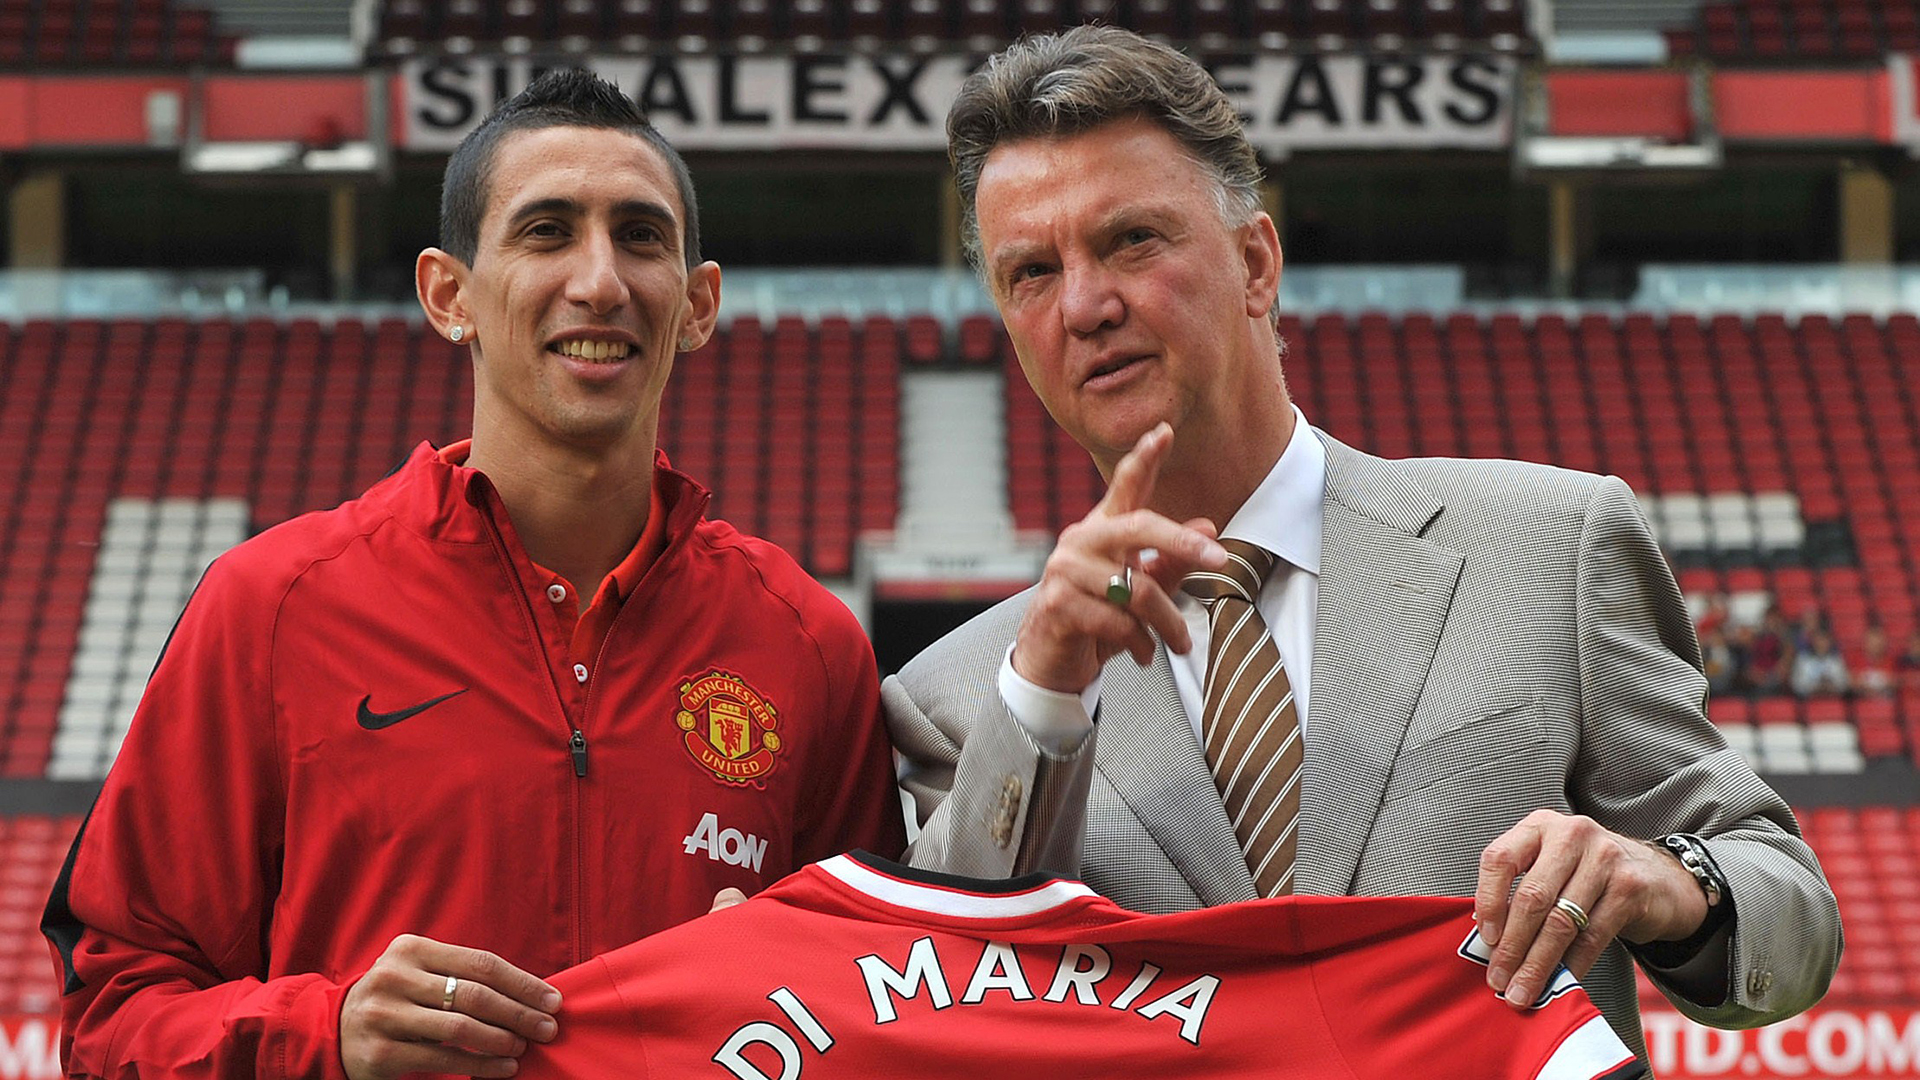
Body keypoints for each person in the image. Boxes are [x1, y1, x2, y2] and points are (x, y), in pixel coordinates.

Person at [883, 24, 1838, 1060]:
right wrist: (1043, 701)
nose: (1084, 305)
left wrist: (1667, 881)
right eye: (1032, 272)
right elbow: (936, 1009)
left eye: (1131, 240)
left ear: (1255, 263)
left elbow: (1789, 911)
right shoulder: (958, 700)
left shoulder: (1547, 546)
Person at [45, 69, 905, 1080]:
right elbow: (111, 1014)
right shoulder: (272, 608)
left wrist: (801, 993)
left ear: (698, 303)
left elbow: (884, 1004)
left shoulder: (807, 643)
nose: (601, 281)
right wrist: (326, 1038)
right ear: (448, 295)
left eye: (641, 236)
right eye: (547, 232)